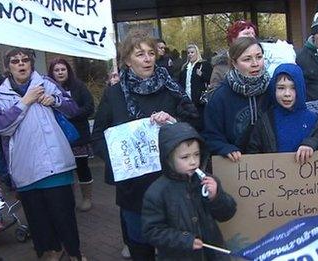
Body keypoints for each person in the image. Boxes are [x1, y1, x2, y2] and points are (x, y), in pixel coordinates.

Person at [92, 31, 198, 261]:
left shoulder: (171, 87)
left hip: (171, 182)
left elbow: (194, 122)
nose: (148, 58)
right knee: (141, 248)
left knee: (176, 247)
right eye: (140, 54)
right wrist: (118, 161)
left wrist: (173, 121)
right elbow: (98, 136)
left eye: (151, 53)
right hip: (134, 188)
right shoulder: (114, 94)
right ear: (128, 60)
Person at [0, 48, 86, 260]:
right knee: (38, 217)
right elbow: (0, 127)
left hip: (55, 163)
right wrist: (25, 102)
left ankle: (74, 252)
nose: (21, 64)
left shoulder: (48, 83)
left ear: (31, 64)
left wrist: (56, 101)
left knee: (64, 215)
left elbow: (73, 109)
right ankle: (52, 250)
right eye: (15, 61)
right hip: (25, 167)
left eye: (25, 60)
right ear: (8, 67)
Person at [142, 122, 236, 260]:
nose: (193, 161)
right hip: (178, 256)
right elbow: (152, 231)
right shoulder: (157, 192)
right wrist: (184, 240)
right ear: (168, 159)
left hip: (212, 254)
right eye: (185, 157)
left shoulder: (208, 181)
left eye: (196, 154)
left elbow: (227, 214)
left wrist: (216, 197)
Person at [247, 63, 318, 160]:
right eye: (281, 88)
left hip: (308, 179)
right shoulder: (265, 121)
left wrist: (316, 143)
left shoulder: (314, 119)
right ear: (273, 90)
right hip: (275, 178)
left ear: (301, 89)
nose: (287, 93)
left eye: (293, 88)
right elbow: (253, 150)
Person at [202, 37, 270, 162]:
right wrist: (224, 148)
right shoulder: (220, 96)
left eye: (259, 57)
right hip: (236, 167)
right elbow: (211, 135)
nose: (255, 63)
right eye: (247, 59)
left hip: (271, 167)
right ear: (234, 63)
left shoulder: (273, 90)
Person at [48, 58, 95, 212]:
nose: (60, 72)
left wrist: (72, 114)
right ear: (52, 73)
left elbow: (89, 107)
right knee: (64, 169)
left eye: (63, 69)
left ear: (68, 70)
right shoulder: (47, 88)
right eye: (57, 70)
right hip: (58, 136)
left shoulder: (79, 86)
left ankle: (87, 198)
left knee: (82, 167)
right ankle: (69, 200)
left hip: (78, 135)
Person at [209, 20, 258, 90]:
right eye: (246, 34)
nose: (251, 37)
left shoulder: (260, 62)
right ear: (233, 39)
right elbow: (213, 96)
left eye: (253, 34)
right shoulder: (220, 67)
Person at [179, 44, 212, 129]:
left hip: (199, 100)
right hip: (187, 99)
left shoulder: (204, 64)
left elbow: (210, 80)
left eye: (192, 52)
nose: (190, 54)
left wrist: (201, 75)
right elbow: (180, 82)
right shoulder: (184, 67)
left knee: (201, 122)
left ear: (197, 53)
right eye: (188, 53)